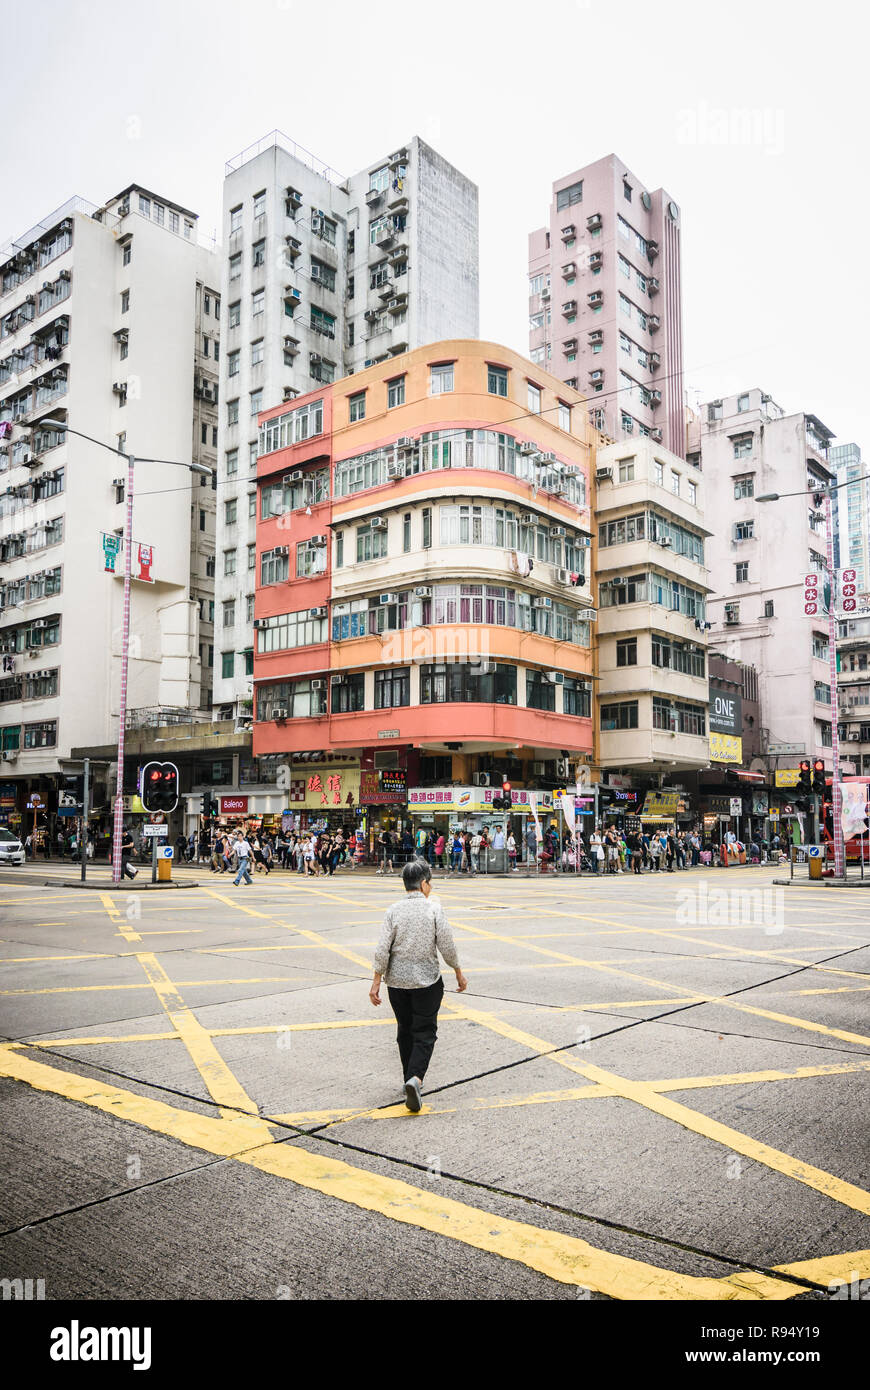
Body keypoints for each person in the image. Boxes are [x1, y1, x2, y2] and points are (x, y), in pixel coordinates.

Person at [370, 858, 467, 1113]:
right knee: (424, 1031)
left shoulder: (393, 910)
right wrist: (458, 972)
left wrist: (376, 982)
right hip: (427, 981)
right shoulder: (433, 909)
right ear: (423, 883)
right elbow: (447, 944)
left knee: (405, 1030)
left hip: (397, 983)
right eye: (430, 882)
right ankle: (416, 1078)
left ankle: (408, 1079)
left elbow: (382, 949)